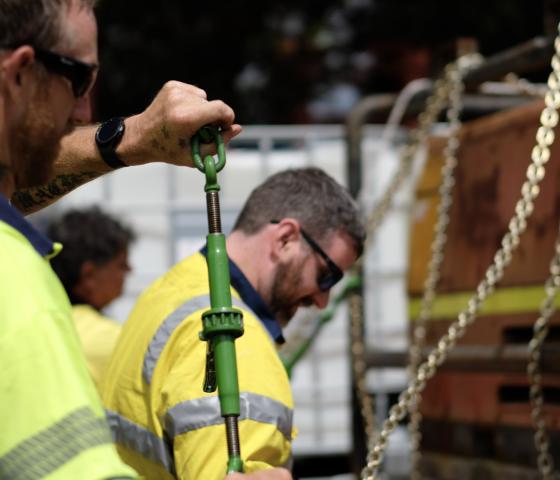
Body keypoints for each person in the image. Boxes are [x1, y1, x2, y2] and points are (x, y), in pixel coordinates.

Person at [0, 0, 241, 477]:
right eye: (80, 80)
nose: (86, 108)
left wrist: (132, 139)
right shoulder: (13, 280)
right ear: (21, 73)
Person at [102, 167, 365, 480]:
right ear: (285, 239)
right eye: (327, 275)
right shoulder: (237, 342)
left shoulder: (171, 289)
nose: (322, 301)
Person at [47, 207, 135, 391]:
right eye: (121, 264)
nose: (129, 270)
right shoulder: (108, 339)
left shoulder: (44, 320)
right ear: (88, 275)